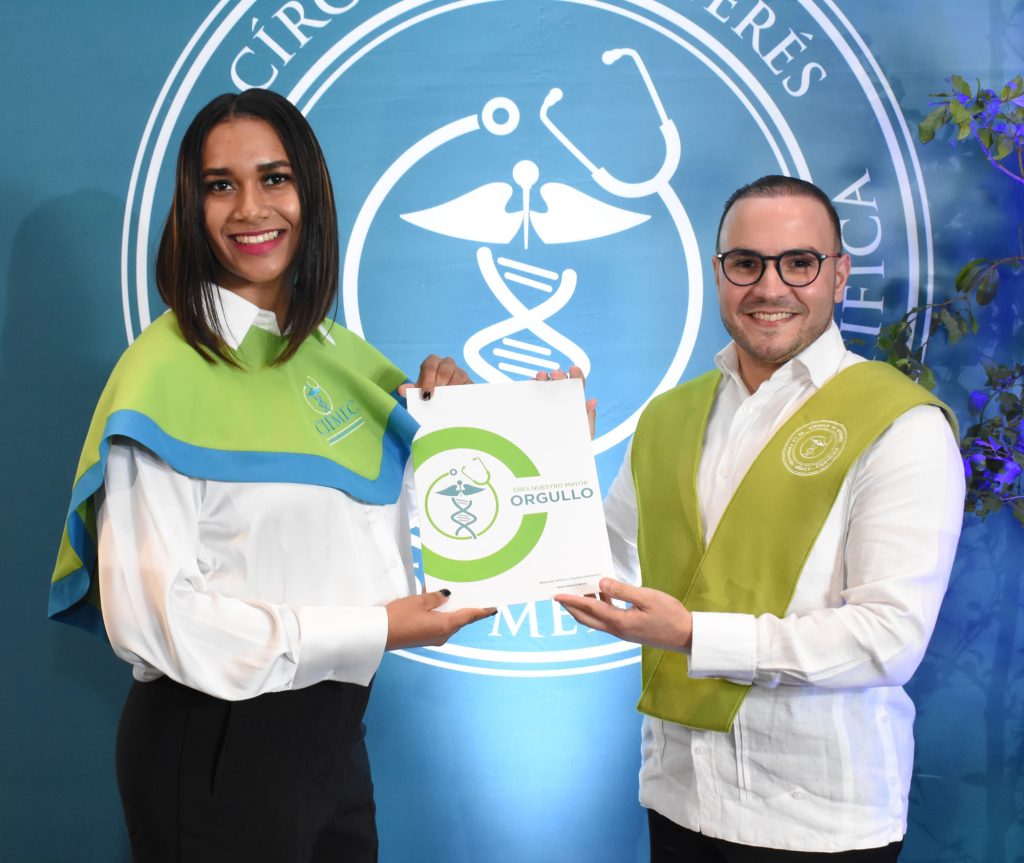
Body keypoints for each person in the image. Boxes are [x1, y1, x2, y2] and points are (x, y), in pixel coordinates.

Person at [49, 89, 492, 863]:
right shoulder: (162, 375)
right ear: (192, 208)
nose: (250, 208)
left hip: (335, 742)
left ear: (309, 193)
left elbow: (407, 537)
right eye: (220, 185)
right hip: (215, 748)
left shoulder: (341, 360)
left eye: (274, 178)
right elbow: (159, 620)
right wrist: (377, 629)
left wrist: (487, 433)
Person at [557, 176, 965, 861]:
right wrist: (554, 467)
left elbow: (889, 637)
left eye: (799, 262)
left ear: (839, 275)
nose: (770, 287)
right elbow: (605, 569)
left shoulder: (901, 425)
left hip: (817, 819)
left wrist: (694, 635)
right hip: (678, 794)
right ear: (719, 273)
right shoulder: (669, 415)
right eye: (746, 263)